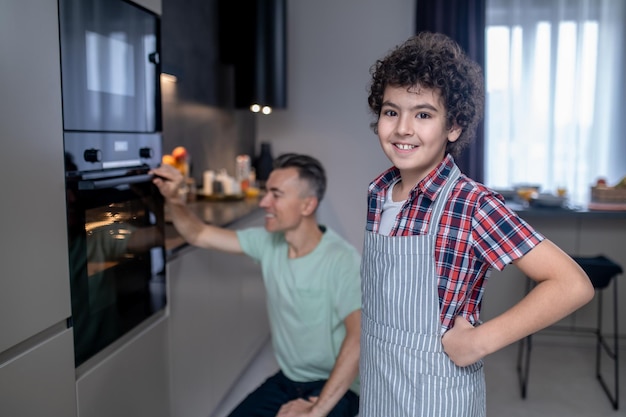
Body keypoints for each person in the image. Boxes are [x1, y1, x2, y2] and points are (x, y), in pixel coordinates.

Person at [359, 31, 594, 416]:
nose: (403, 128)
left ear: (453, 127)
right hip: (378, 385)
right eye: (391, 111)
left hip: (434, 395)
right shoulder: (379, 192)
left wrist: (480, 342)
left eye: (423, 114)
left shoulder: (471, 203)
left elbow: (572, 284)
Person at [151, 153, 361, 417]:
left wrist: (316, 410)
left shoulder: (342, 260)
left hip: (336, 386)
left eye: (276, 194)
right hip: (288, 379)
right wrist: (174, 199)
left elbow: (359, 338)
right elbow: (199, 234)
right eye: (266, 193)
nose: (263, 202)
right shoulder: (268, 242)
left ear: (307, 206)